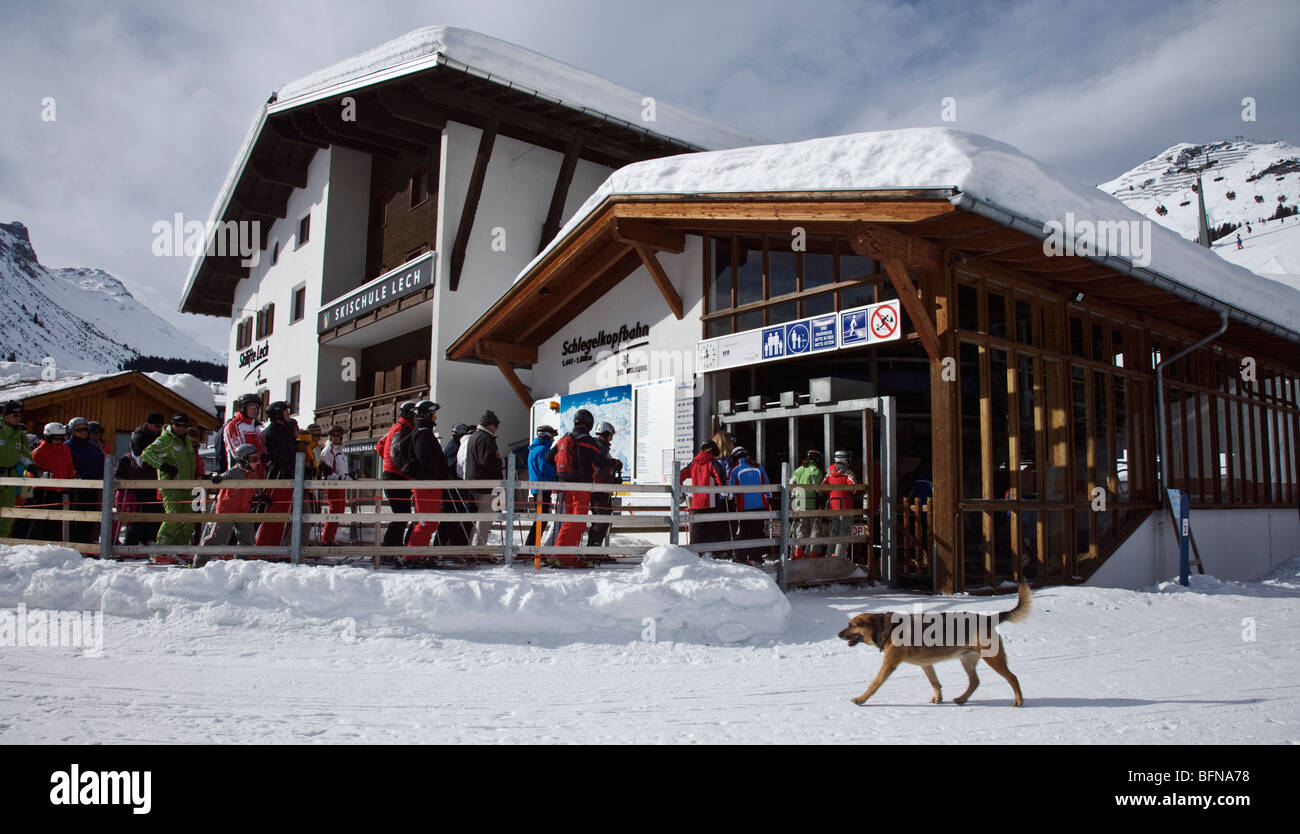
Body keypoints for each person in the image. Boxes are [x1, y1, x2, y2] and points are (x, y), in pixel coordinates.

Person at [548, 409, 614, 567]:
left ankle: (564, 555)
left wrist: (565, 474)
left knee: (570, 521)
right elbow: (600, 462)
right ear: (589, 424)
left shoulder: (565, 438)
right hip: (581, 487)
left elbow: (548, 458)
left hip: (566, 486)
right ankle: (563, 556)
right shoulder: (587, 440)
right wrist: (615, 464)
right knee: (578, 522)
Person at [140, 413, 198, 560]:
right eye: (177, 425)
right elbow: (146, 453)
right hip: (171, 486)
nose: (181, 428)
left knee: (188, 521)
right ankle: (161, 552)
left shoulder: (188, 440)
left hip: (188, 485)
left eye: (184, 425)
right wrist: (163, 466)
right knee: (172, 519)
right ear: (172, 424)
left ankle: (180, 550)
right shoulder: (165, 439)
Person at [196, 443, 261, 567]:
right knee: (217, 538)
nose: (257, 462)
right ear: (243, 459)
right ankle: (199, 563)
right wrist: (217, 479)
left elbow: (255, 489)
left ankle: (241, 565)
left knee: (247, 539)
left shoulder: (253, 474)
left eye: (257, 458)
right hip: (227, 510)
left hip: (243, 510)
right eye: (253, 459)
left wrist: (261, 496)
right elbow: (222, 476)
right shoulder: (234, 472)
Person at [402, 400, 450, 563]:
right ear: (426, 415)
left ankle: (416, 553)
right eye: (434, 414)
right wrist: (439, 468)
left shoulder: (422, 432)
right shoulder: (423, 433)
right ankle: (412, 555)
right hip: (427, 483)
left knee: (430, 521)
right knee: (427, 521)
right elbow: (424, 458)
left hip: (429, 482)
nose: (435, 417)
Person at [253, 401, 296, 550]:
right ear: (278, 415)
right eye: (285, 412)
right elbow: (267, 457)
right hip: (276, 478)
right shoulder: (270, 433)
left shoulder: (287, 431)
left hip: (288, 477)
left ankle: (276, 548)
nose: (288, 415)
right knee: (272, 515)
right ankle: (263, 548)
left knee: (284, 516)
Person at [375, 401, 417, 546]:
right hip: (396, 476)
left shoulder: (401, 427)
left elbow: (380, 445)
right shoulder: (402, 429)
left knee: (401, 514)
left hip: (394, 474)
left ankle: (392, 548)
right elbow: (396, 453)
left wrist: (388, 463)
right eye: (415, 414)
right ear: (410, 414)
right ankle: (389, 548)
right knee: (402, 514)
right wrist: (405, 468)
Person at [27, 421, 76, 542]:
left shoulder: (65, 450)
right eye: (56, 439)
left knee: (57, 521)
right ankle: (35, 543)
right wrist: (40, 476)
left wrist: (70, 481)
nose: (59, 441)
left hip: (60, 491)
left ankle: (55, 544)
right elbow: (31, 472)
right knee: (41, 520)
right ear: (48, 437)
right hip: (43, 491)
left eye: (61, 438)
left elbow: (69, 467)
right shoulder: (39, 451)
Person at [463, 410, 505, 549]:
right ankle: (478, 549)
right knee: (485, 519)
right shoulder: (486, 439)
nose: (497, 428)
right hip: (485, 485)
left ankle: (474, 548)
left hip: (474, 484)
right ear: (490, 425)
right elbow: (488, 461)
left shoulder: (474, 436)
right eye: (496, 425)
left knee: (479, 519)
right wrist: (501, 462)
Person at [680, 440, 727, 554]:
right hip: (711, 501)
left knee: (697, 529)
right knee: (713, 528)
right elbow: (719, 476)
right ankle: (712, 553)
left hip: (697, 502)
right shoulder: (712, 462)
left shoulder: (694, 463)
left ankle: (695, 553)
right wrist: (725, 490)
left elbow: (680, 474)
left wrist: (680, 490)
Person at [728, 446, 773, 563]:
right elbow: (767, 484)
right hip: (761, 505)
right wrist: (768, 497)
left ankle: (742, 557)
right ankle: (756, 558)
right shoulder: (758, 467)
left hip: (744, 506)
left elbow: (731, 492)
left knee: (744, 532)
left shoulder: (735, 470)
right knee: (757, 531)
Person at [65, 416, 105, 544]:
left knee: (90, 516)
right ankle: (74, 543)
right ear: (71, 431)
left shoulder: (94, 447)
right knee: (75, 517)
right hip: (74, 488)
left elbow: (102, 463)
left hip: (92, 486)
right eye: (79, 430)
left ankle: (87, 544)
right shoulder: (67, 447)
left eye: (85, 429)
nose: (83, 432)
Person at [586, 422, 623, 554]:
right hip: (599, 490)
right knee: (601, 520)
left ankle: (595, 550)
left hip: (600, 489)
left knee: (601, 520)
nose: (611, 438)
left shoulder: (600, 447)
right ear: (606, 434)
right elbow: (599, 468)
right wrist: (612, 477)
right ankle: (593, 551)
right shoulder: (600, 447)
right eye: (611, 435)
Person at [130, 412, 166, 543]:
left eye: (162, 426)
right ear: (148, 424)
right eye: (157, 426)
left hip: (154, 479)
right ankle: (133, 541)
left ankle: (149, 539)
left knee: (156, 510)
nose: (160, 429)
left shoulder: (157, 436)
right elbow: (140, 459)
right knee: (143, 511)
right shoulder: (140, 437)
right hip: (143, 479)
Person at [0, 400, 33, 540]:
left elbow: (23, 454)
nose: (18, 418)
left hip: (10, 478)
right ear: (5, 415)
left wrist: (32, 466)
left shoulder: (19, 434)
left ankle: (2, 545)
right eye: (15, 415)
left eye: (20, 415)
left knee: (7, 515)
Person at [525, 425, 558, 549]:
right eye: (552, 436)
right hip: (541, 489)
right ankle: (530, 548)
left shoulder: (536, 449)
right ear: (547, 436)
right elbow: (544, 468)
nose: (553, 439)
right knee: (540, 520)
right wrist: (556, 472)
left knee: (540, 519)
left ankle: (531, 547)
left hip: (539, 488)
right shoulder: (542, 449)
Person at [823, 450, 859, 560]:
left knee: (834, 531)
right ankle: (839, 556)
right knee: (844, 531)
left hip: (832, 506)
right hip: (845, 506)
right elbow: (854, 488)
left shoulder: (829, 472)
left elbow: (823, 487)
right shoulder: (848, 473)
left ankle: (829, 555)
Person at [316, 425, 349, 547]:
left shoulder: (339, 450)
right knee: (334, 511)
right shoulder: (328, 450)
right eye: (333, 435)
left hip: (341, 484)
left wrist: (348, 476)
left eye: (338, 436)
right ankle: (327, 539)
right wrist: (338, 478)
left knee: (340, 511)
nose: (336, 438)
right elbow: (328, 470)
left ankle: (331, 538)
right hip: (333, 484)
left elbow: (342, 469)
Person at [790, 449, 825, 558]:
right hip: (811, 503)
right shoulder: (815, 471)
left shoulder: (799, 470)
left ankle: (798, 552)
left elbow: (790, 483)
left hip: (799, 503)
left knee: (802, 528)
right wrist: (821, 494)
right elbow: (817, 489)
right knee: (815, 528)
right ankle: (814, 553)